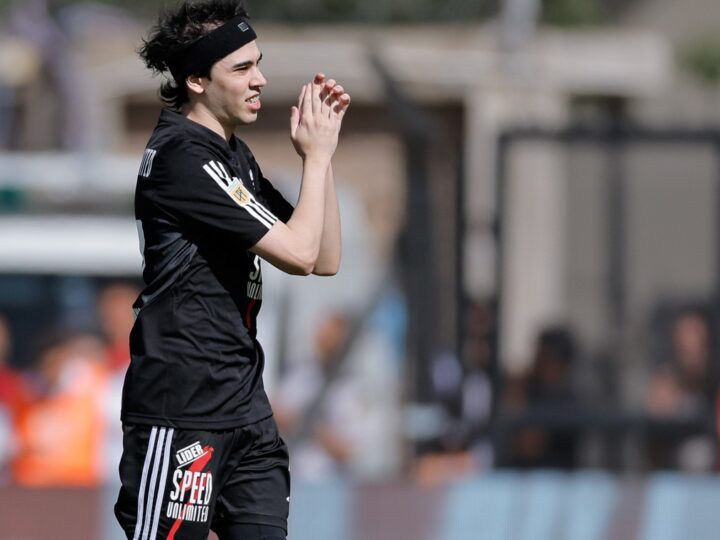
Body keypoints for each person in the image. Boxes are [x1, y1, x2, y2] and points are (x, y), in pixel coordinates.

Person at [114, 1, 350, 539]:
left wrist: (324, 155)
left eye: (258, 63)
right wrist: (311, 161)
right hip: (182, 415)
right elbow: (301, 254)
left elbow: (325, 258)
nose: (260, 80)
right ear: (196, 79)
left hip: (246, 413)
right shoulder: (184, 158)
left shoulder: (232, 157)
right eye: (241, 68)